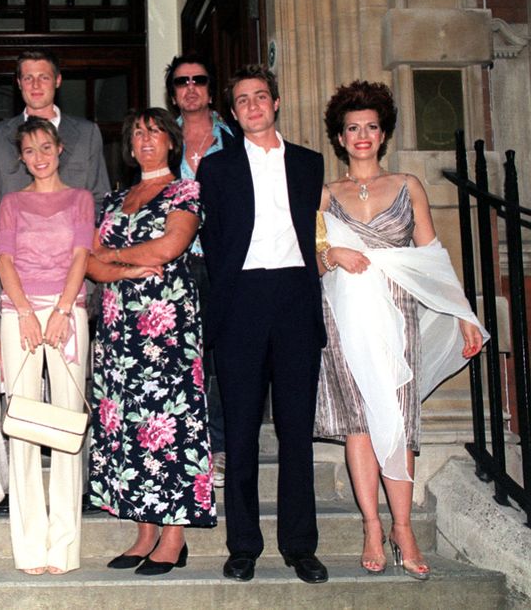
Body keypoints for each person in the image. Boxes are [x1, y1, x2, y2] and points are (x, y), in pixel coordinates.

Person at [313, 80, 487, 579]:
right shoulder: (324, 195)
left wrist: (463, 314)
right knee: (359, 423)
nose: (362, 135)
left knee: (398, 418)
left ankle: (403, 527)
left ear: (383, 134)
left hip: (398, 313)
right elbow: (311, 262)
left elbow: (432, 257)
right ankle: (372, 526)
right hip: (344, 318)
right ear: (340, 138)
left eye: (371, 126)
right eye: (352, 128)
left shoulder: (409, 185)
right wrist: (332, 254)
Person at [197, 64, 328, 584]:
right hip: (242, 302)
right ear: (233, 113)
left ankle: (300, 546)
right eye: (242, 100)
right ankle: (243, 546)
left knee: (297, 432)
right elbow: (213, 244)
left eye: (260, 97)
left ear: (276, 103)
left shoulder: (310, 164)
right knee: (242, 433)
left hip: (296, 299)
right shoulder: (216, 169)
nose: (252, 106)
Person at [86, 108, 216, 576]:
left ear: (171, 142)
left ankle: (174, 536)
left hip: (166, 326)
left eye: (155, 132)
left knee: (169, 422)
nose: (145, 140)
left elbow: (169, 247)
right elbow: (89, 263)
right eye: (137, 133)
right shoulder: (112, 199)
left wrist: (114, 256)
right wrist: (122, 267)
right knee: (128, 425)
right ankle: (144, 532)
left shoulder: (185, 191)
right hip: (119, 328)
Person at [0, 118, 94, 575]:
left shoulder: (81, 199)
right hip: (19, 314)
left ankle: (64, 547)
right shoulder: (11, 203)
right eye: (30, 150)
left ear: (60, 148)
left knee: (68, 426)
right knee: (23, 427)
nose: (39, 156)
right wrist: (25, 312)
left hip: (66, 313)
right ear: (21, 157)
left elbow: (81, 256)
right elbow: (4, 260)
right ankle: (30, 546)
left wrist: (61, 310)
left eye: (45, 147)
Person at [164, 53, 236, 487]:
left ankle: (220, 445)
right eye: (181, 82)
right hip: (174, 263)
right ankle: (181, 442)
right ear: (173, 93)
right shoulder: (160, 139)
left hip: (223, 261)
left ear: (210, 90)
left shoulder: (236, 140)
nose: (190, 87)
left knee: (221, 357)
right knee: (177, 356)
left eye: (199, 80)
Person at [0, 49, 110, 214]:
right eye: (28, 78)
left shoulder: (87, 133)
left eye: (44, 77)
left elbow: (100, 200)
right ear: (19, 83)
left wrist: (77, 228)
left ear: (58, 80)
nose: (36, 85)